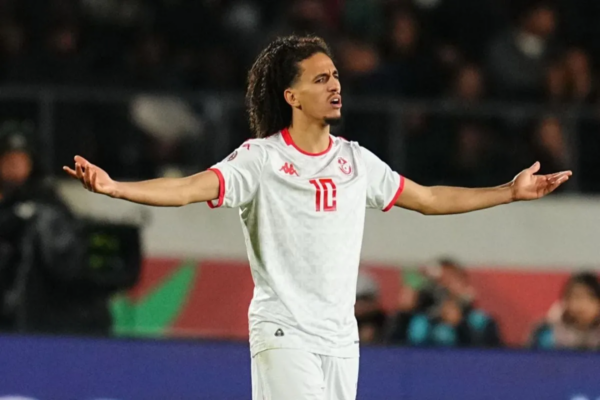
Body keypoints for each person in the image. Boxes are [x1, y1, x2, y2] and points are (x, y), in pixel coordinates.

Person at [64, 35, 572, 400]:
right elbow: (187, 188)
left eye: (336, 76)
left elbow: (429, 198)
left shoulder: (356, 160)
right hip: (284, 331)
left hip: (341, 338)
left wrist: (509, 192)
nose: (335, 85)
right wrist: (115, 187)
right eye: (321, 78)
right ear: (291, 96)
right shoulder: (260, 160)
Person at [530, 272, 600, 350]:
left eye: (590, 298)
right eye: (576, 297)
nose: (582, 304)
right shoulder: (547, 332)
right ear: (565, 300)